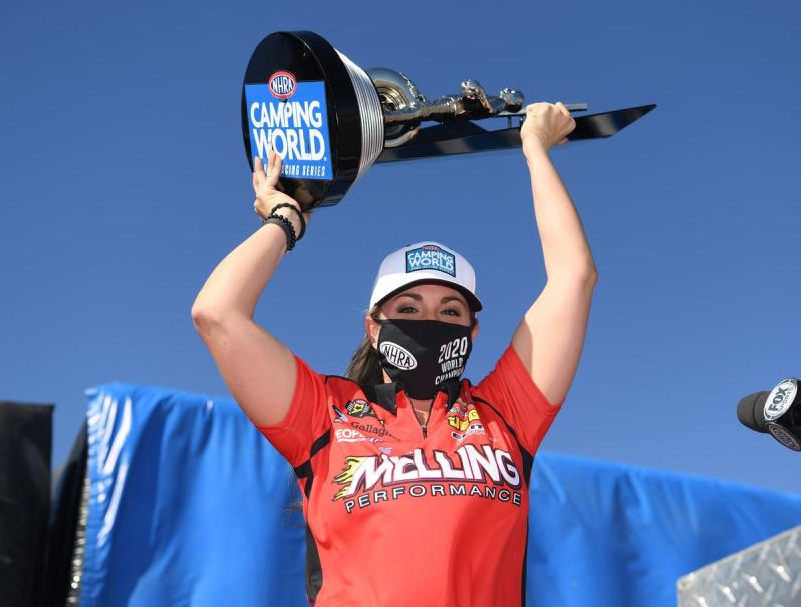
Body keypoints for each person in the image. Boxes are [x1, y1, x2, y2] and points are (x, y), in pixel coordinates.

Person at [192, 102, 597, 606]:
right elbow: (217, 314)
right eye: (408, 306)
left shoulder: (505, 415)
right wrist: (286, 219)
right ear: (372, 325)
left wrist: (534, 147)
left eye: (450, 311)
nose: (430, 320)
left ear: (472, 333)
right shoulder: (324, 414)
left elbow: (573, 277)